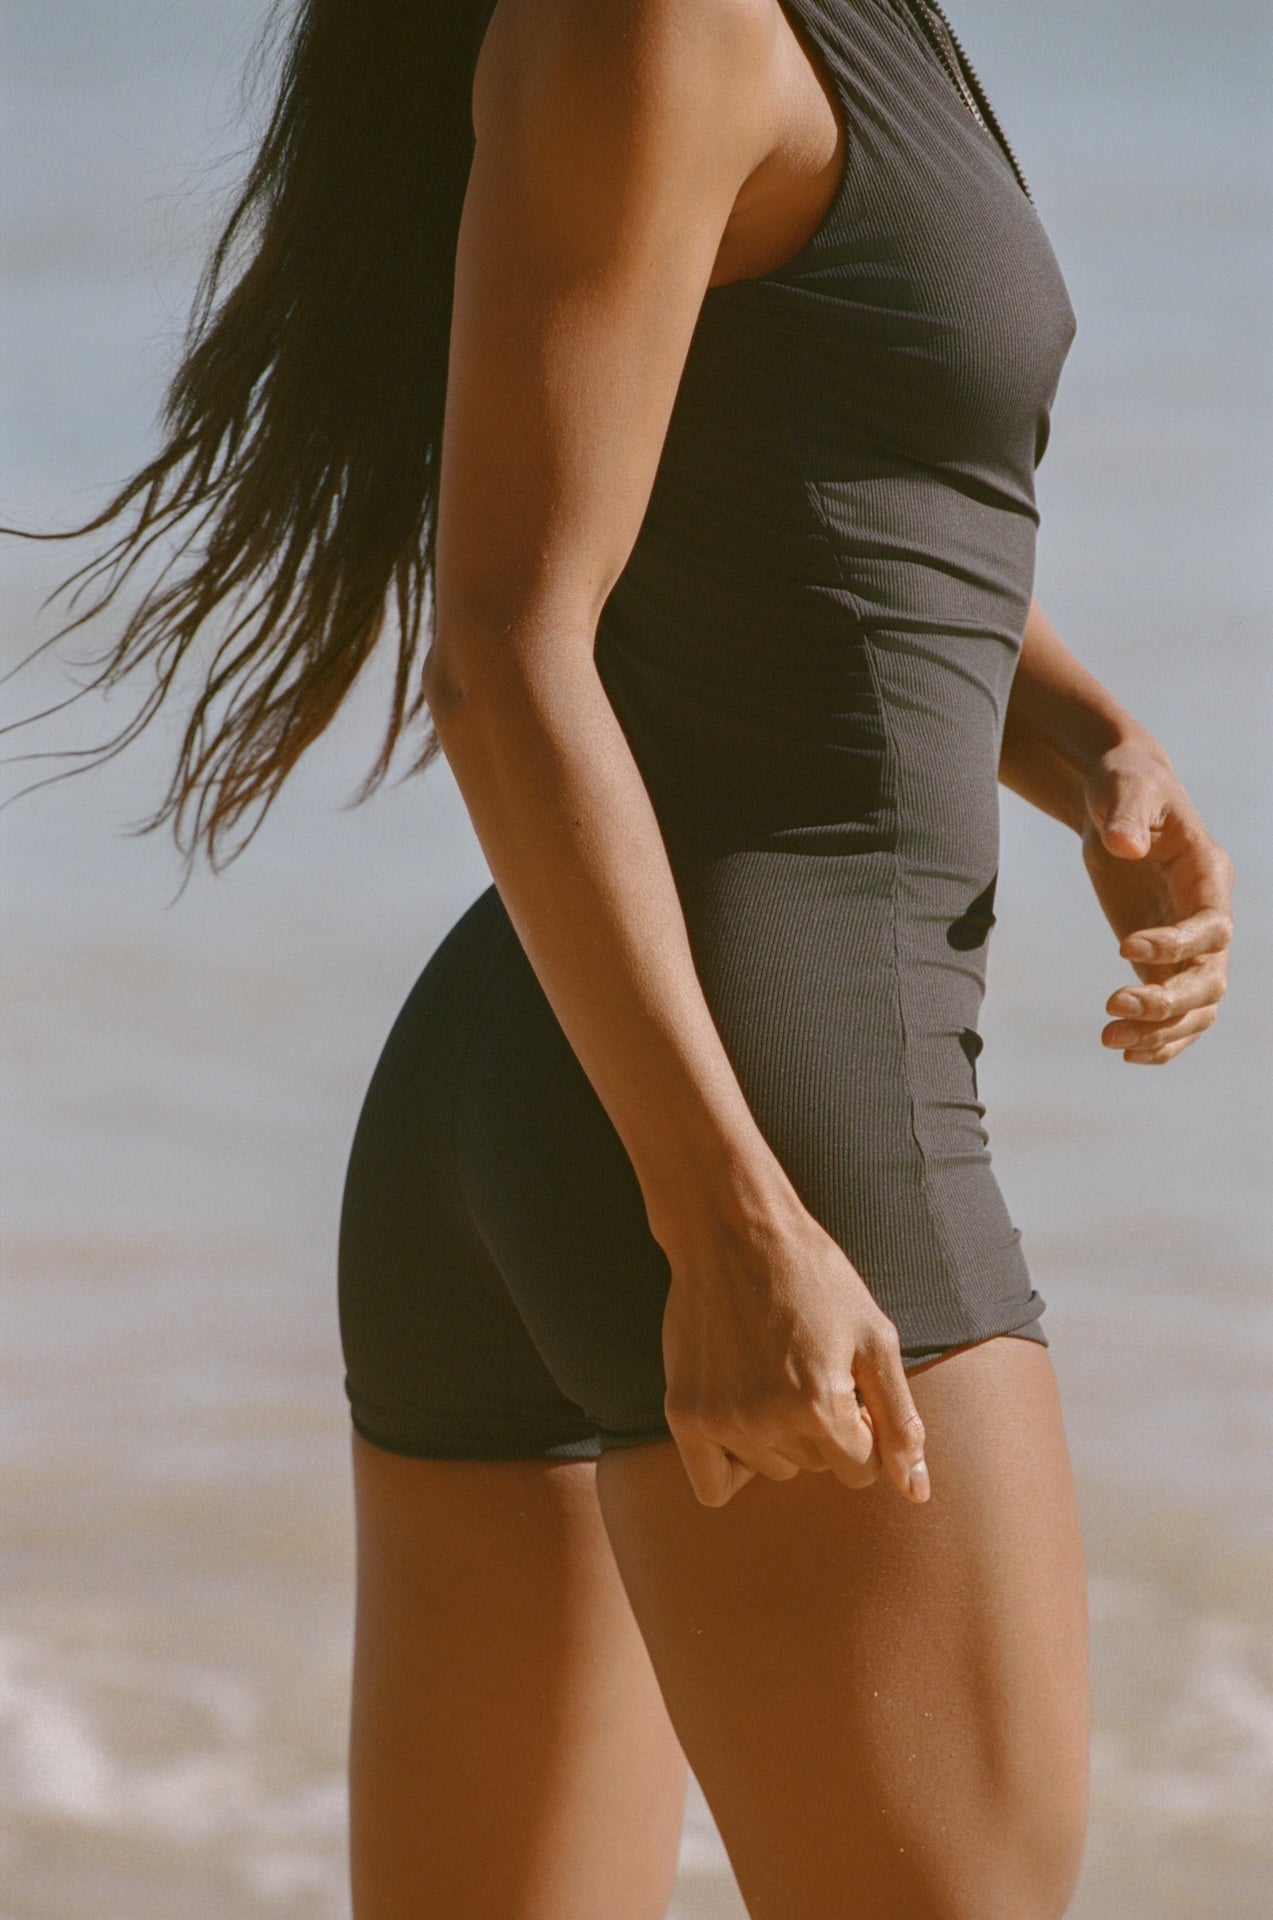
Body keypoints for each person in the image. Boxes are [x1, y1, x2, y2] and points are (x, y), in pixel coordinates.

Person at [20, 0, 1233, 1914]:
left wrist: (1094, 748)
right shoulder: (655, 21)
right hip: (750, 1103)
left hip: (551, 1085)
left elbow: (847, 494)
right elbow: (506, 640)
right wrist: (725, 1213)